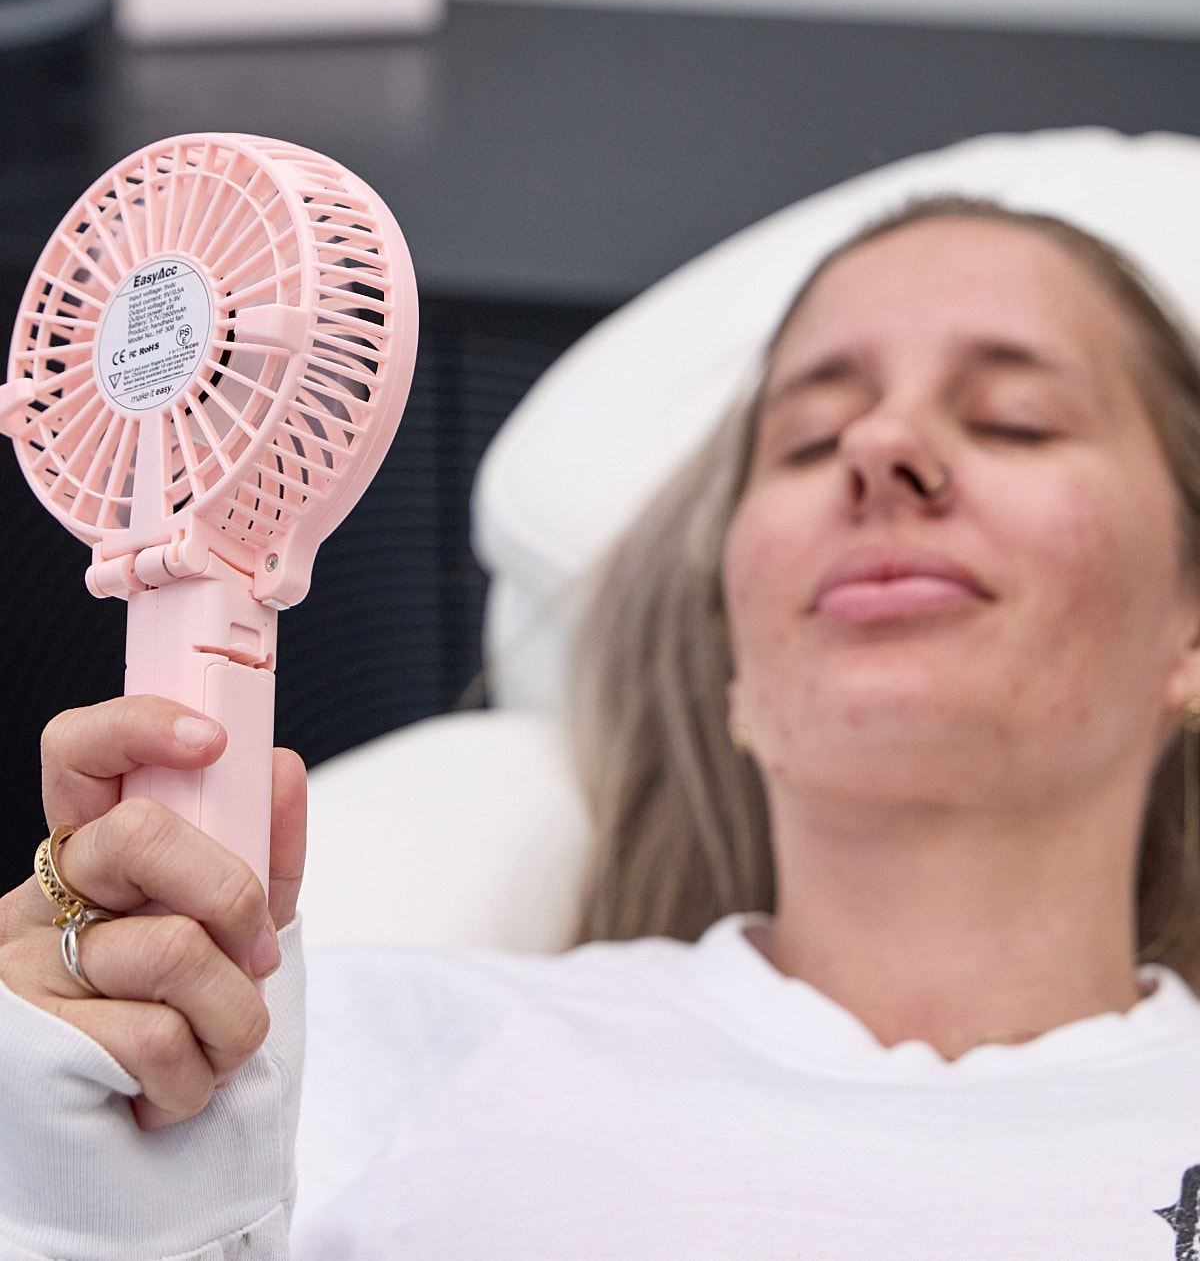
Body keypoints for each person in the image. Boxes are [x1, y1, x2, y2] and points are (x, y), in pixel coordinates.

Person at [1, 196, 1199, 1260]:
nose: (884, 449)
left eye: (1016, 420)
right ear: (735, 654)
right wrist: (76, 1210)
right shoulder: (337, 1055)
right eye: (809, 438)